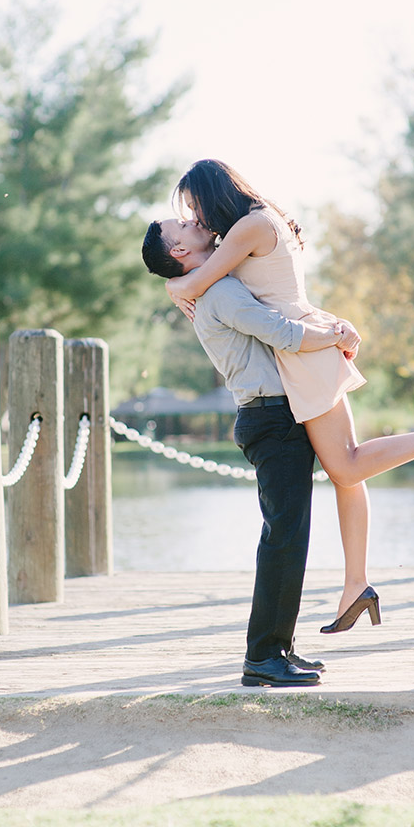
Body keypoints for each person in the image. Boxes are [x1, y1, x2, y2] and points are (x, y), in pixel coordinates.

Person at [162, 159, 414, 633]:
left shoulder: (251, 226)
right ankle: (355, 585)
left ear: (213, 193)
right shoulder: (252, 224)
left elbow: (196, 282)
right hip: (303, 344)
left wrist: (173, 284)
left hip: (303, 348)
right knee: (348, 474)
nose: (196, 218)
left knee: (345, 465)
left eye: (194, 206)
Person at [142, 215, 362, 687]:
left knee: (291, 534)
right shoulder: (219, 293)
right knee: (283, 535)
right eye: (179, 225)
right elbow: (282, 332)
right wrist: (339, 336)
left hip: (275, 415)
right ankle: (262, 657)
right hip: (271, 417)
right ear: (178, 252)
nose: (192, 220)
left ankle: (279, 648)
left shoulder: (215, 285)